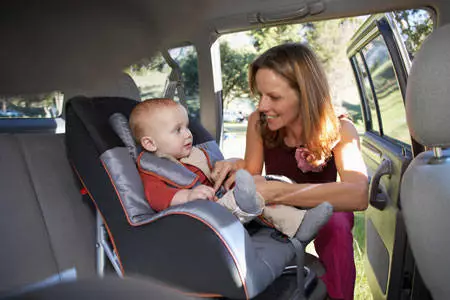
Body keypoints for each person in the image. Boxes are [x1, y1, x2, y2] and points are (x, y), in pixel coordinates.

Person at [212, 44, 369, 300]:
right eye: (260, 95)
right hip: (279, 213)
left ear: (305, 94)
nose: (262, 106)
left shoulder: (342, 128)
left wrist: (279, 191)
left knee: (337, 223)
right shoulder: (258, 122)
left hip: (319, 209)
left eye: (273, 97)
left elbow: (358, 194)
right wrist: (235, 162)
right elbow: (252, 172)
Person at [129, 98, 332, 242]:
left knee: (263, 200)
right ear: (150, 143)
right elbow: (157, 197)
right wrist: (188, 195)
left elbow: (218, 171)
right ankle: (246, 199)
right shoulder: (153, 170)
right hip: (201, 217)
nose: (188, 134)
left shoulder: (193, 156)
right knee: (250, 195)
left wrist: (224, 173)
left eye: (187, 127)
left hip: (222, 201)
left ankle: (300, 224)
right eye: (177, 130)